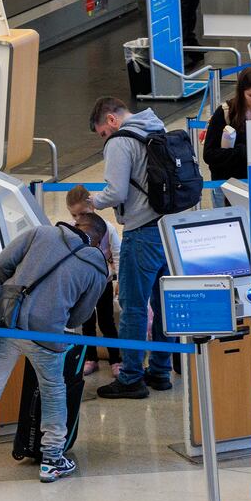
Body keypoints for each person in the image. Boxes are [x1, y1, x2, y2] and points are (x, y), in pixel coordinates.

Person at [0, 215, 109, 488]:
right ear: (100, 241)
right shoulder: (97, 266)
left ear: (76, 225)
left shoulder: (40, 233)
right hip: (46, 333)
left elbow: (2, 263)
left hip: (6, 324)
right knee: (53, 391)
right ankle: (52, 460)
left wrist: (12, 294)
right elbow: (80, 317)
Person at [71, 97, 176, 399]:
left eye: (103, 132)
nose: (105, 139)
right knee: (163, 303)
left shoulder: (120, 141)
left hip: (141, 232)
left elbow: (116, 191)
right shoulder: (157, 126)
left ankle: (130, 377)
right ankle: (160, 371)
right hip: (169, 229)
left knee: (133, 307)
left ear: (112, 121)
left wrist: (92, 202)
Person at [67, 192, 120, 377]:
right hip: (83, 285)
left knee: (107, 321)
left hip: (103, 282)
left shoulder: (108, 229)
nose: (79, 219)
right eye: (74, 215)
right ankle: (91, 358)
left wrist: (119, 279)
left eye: (83, 213)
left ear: (93, 207)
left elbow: (118, 254)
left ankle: (116, 359)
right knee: (86, 321)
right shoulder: (73, 231)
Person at [202, 65, 251, 183]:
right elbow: (209, 155)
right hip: (229, 183)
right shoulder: (224, 113)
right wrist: (243, 152)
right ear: (241, 92)